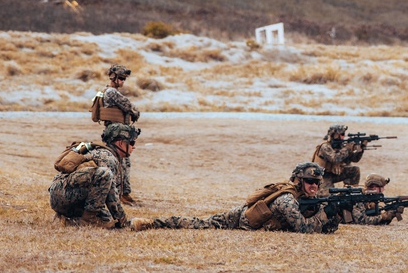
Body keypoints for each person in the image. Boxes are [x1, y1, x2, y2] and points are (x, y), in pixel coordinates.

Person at [130, 162, 340, 234]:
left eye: (317, 183)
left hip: (250, 221)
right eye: (309, 182)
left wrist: (331, 220)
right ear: (298, 180)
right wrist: (322, 215)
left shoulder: (302, 198)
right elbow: (302, 229)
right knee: (198, 224)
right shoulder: (287, 199)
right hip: (237, 220)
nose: (314, 186)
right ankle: (151, 223)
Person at [49, 123, 139, 229]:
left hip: (58, 196)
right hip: (65, 196)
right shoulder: (108, 158)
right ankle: (88, 220)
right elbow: (112, 195)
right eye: (132, 142)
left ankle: (67, 218)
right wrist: (122, 220)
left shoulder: (94, 149)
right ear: (120, 143)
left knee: (106, 218)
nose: (134, 147)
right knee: (105, 174)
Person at [95, 64, 140, 205]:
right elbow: (130, 107)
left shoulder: (107, 91)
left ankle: (123, 193)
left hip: (117, 131)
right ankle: (121, 194)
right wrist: (134, 112)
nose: (122, 81)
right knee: (122, 163)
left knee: (123, 162)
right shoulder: (112, 93)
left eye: (124, 79)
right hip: (117, 133)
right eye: (120, 78)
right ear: (113, 77)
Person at [311, 124, 365, 194]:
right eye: (342, 134)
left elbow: (354, 159)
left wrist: (361, 149)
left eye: (343, 134)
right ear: (335, 135)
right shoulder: (325, 146)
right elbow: (335, 158)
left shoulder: (341, 146)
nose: (343, 136)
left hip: (334, 174)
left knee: (355, 170)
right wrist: (347, 148)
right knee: (328, 196)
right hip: (323, 176)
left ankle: (350, 191)